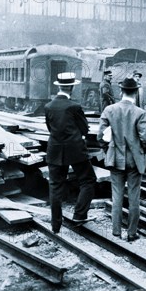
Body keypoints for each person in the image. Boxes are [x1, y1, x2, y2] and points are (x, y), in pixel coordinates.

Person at [98, 78, 146, 242]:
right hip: (134, 161)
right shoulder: (140, 113)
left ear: (121, 91)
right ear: (135, 92)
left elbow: (100, 136)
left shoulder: (109, 109)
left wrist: (109, 150)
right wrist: (142, 152)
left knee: (117, 196)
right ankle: (131, 233)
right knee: (134, 197)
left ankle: (115, 232)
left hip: (115, 159)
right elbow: (145, 139)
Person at [45, 72, 97, 233]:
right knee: (88, 180)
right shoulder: (74, 106)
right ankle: (79, 215)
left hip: (54, 150)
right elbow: (85, 129)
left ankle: (55, 225)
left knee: (55, 187)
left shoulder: (48, 106)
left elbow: (50, 128)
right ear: (71, 88)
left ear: (59, 86)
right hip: (75, 150)